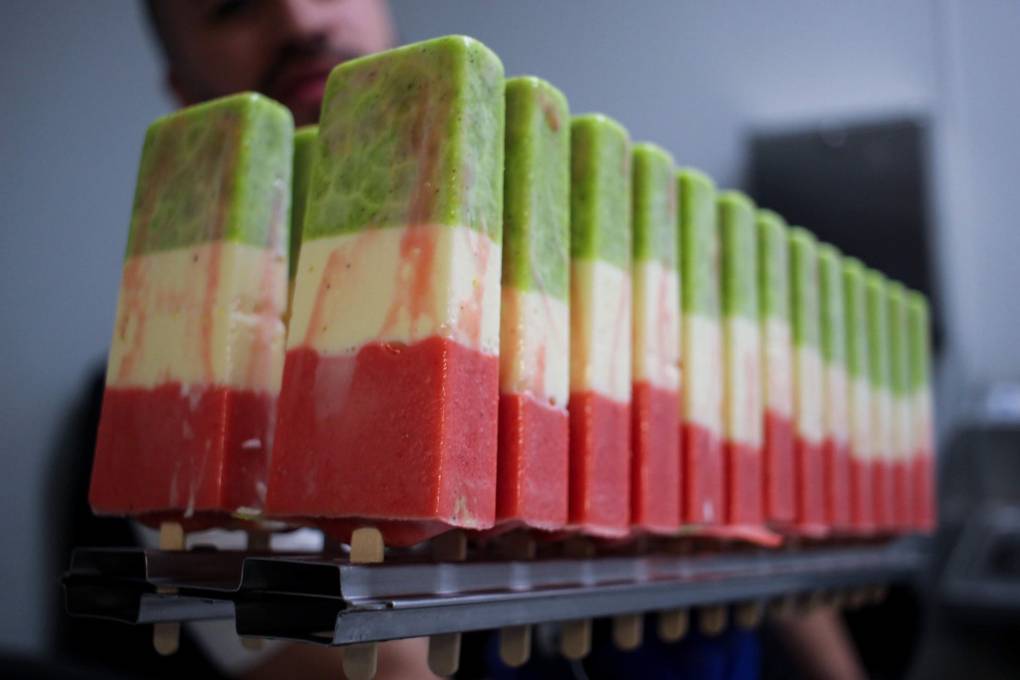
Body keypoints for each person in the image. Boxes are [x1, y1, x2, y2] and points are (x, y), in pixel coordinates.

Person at [49, 2, 882, 678]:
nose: (298, 16)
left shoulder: (582, 286)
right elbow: (343, 664)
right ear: (182, 83)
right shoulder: (195, 407)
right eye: (233, 6)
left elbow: (763, 546)